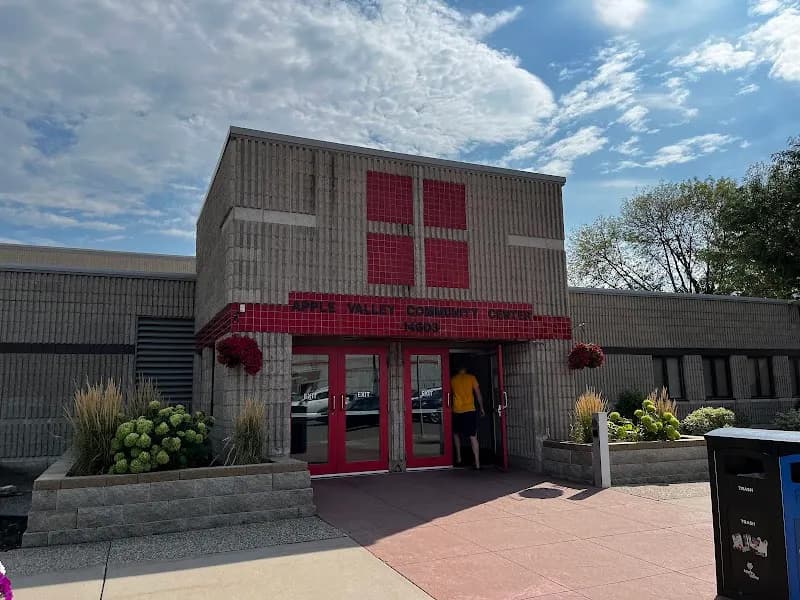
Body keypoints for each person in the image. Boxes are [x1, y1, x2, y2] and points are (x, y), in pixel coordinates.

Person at [450, 365, 485, 469]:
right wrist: (482, 408)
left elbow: (449, 394)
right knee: (473, 436)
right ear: (466, 369)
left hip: (457, 410)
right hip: (469, 409)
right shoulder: (471, 378)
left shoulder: (453, 379)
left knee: (456, 434)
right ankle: (477, 463)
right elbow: (478, 394)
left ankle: (459, 458)